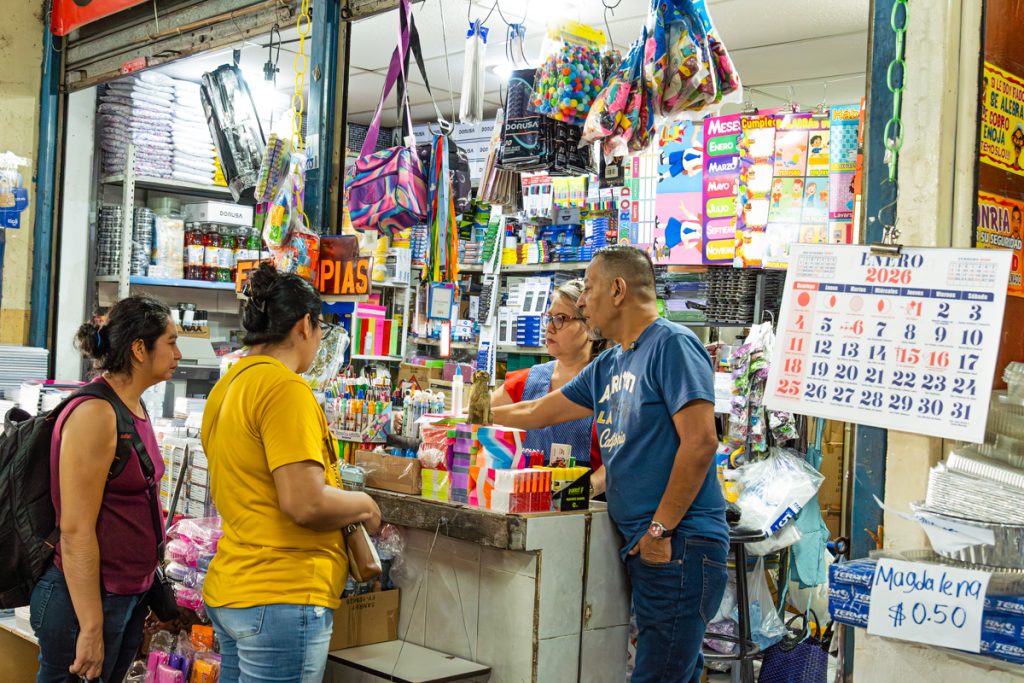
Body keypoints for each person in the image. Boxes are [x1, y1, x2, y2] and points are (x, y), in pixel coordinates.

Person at [494, 246, 728, 683]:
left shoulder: (673, 346)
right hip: (651, 545)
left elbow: (700, 443)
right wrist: (473, 413)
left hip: (679, 545)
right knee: (673, 670)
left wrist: (660, 530)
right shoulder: (611, 362)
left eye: (590, 288)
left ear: (618, 290)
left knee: (656, 675)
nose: (582, 301)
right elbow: (540, 411)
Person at [202, 263, 381, 683]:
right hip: (282, 592)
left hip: (236, 585)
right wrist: (365, 504)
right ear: (304, 325)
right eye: (320, 329)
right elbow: (305, 502)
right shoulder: (285, 389)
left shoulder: (228, 386)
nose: (319, 343)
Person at [31, 296, 182, 683]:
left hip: (124, 595)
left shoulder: (134, 407)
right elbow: (76, 530)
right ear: (138, 349)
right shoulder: (96, 414)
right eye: (170, 341)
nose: (179, 352)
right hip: (85, 603)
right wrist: (92, 627)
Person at [491, 279, 605, 466]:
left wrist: (589, 487)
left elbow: (623, 457)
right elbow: (474, 415)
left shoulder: (606, 383)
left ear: (589, 326)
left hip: (587, 494)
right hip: (528, 491)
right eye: (549, 318)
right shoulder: (527, 380)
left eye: (561, 319)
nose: (549, 328)